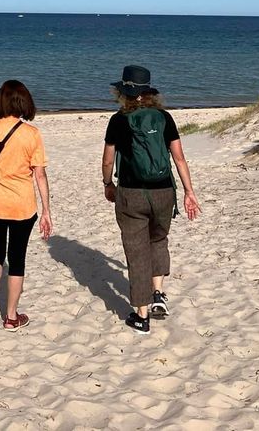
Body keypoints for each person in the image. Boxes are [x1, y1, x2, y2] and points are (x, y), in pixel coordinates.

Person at [101, 64, 200, 335]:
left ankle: (141, 315)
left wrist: (108, 184)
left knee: (136, 251)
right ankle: (158, 293)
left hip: (131, 193)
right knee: (158, 239)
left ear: (124, 93)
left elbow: (109, 159)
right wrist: (189, 192)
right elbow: (178, 158)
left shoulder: (118, 120)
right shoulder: (164, 118)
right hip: (163, 191)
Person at [0, 79, 53, 333]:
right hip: (22, 205)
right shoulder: (31, 134)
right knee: (17, 259)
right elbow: (39, 175)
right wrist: (47, 211)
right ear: (24, 102)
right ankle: (11, 316)